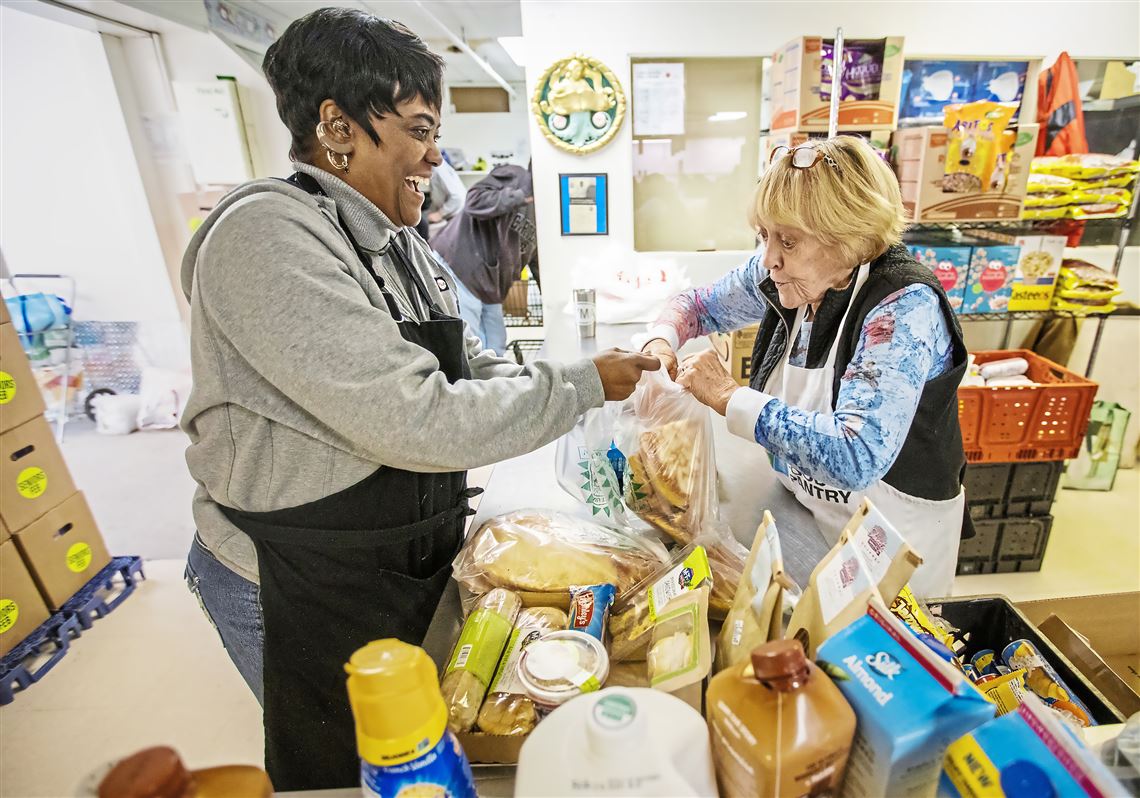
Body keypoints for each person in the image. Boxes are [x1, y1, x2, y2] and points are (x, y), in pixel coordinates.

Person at [179, 8, 658, 791]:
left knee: (423, 755)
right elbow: (414, 417)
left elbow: (465, 367)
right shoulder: (268, 238)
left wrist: (573, 376)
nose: (436, 156)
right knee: (354, 770)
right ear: (337, 127)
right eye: (417, 129)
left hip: (386, 560)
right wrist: (576, 387)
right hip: (301, 577)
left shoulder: (395, 242)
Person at [643, 136, 968, 598]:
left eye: (788, 241)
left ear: (849, 238)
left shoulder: (903, 309)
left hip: (891, 547)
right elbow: (696, 304)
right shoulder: (787, 275)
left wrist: (731, 397)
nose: (769, 258)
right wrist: (661, 342)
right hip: (805, 508)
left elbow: (857, 455)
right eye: (765, 236)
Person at [431, 164, 533, 355]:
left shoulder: (547, 212)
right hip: (461, 266)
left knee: (496, 346)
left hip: (492, 284)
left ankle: (493, 383)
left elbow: (537, 260)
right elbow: (473, 201)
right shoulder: (514, 175)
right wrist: (518, 196)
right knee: (473, 348)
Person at [426, 156, 467, 233]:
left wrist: (439, 214)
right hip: (451, 217)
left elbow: (457, 198)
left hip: (455, 217)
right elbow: (438, 196)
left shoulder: (439, 170)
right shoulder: (435, 170)